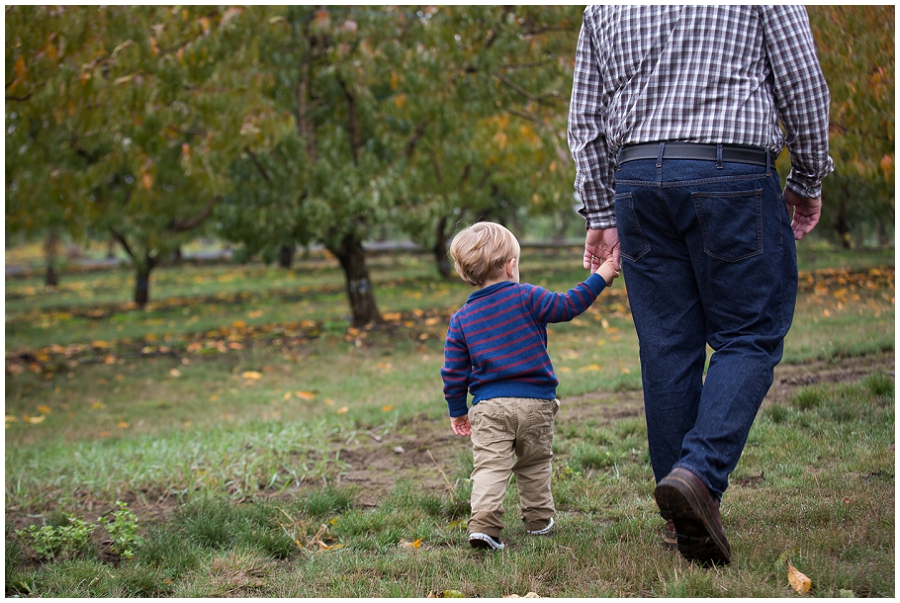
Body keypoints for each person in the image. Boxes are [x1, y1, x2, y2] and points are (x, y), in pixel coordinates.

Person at [567, 6, 833, 565]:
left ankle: (680, 522)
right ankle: (697, 476)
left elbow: (585, 118)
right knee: (750, 335)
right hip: (729, 172)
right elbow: (802, 82)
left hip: (638, 180)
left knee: (666, 346)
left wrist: (599, 209)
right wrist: (808, 177)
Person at [441, 221, 619, 550]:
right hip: (536, 403)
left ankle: (484, 524)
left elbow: (453, 372)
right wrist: (603, 274)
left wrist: (457, 411)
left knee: (491, 465)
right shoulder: (527, 296)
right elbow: (568, 305)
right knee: (535, 461)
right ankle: (538, 519)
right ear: (511, 266)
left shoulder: (462, 319)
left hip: (489, 408)